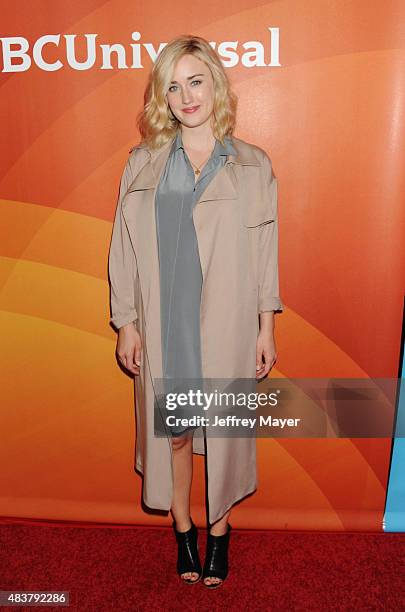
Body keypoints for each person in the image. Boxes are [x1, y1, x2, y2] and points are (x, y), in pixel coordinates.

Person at [108, 34, 284, 588]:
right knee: (178, 434)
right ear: (163, 96)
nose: (187, 96)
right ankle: (184, 531)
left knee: (224, 434)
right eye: (174, 86)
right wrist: (127, 322)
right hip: (167, 322)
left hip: (228, 322)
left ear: (215, 82)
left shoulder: (253, 165)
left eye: (196, 81)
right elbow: (123, 247)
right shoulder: (143, 164)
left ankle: (220, 533)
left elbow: (265, 251)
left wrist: (266, 325)